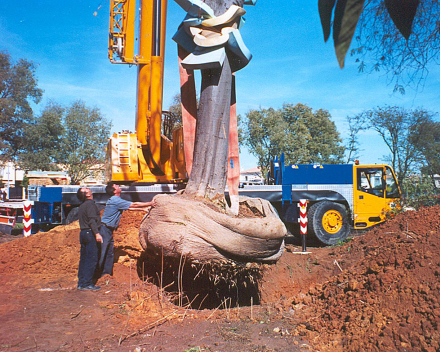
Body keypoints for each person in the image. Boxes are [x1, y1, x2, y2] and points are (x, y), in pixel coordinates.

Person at [98, 182, 156, 277]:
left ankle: (106, 275)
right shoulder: (115, 200)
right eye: (116, 186)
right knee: (102, 252)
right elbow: (134, 204)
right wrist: (150, 203)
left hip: (108, 230)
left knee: (109, 253)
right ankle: (97, 275)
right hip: (104, 230)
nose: (118, 186)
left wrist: (143, 209)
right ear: (114, 191)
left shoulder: (116, 200)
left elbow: (128, 208)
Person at [76, 187, 103, 291]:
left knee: (84, 258)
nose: (88, 188)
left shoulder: (82, 205)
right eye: (86, 189)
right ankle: (87, 284)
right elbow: (92, 221)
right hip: (90, 233)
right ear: (87, 194)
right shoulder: (90, 204)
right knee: (91, 259)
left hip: (83, 233)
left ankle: (81, 283)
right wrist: (97, 233)